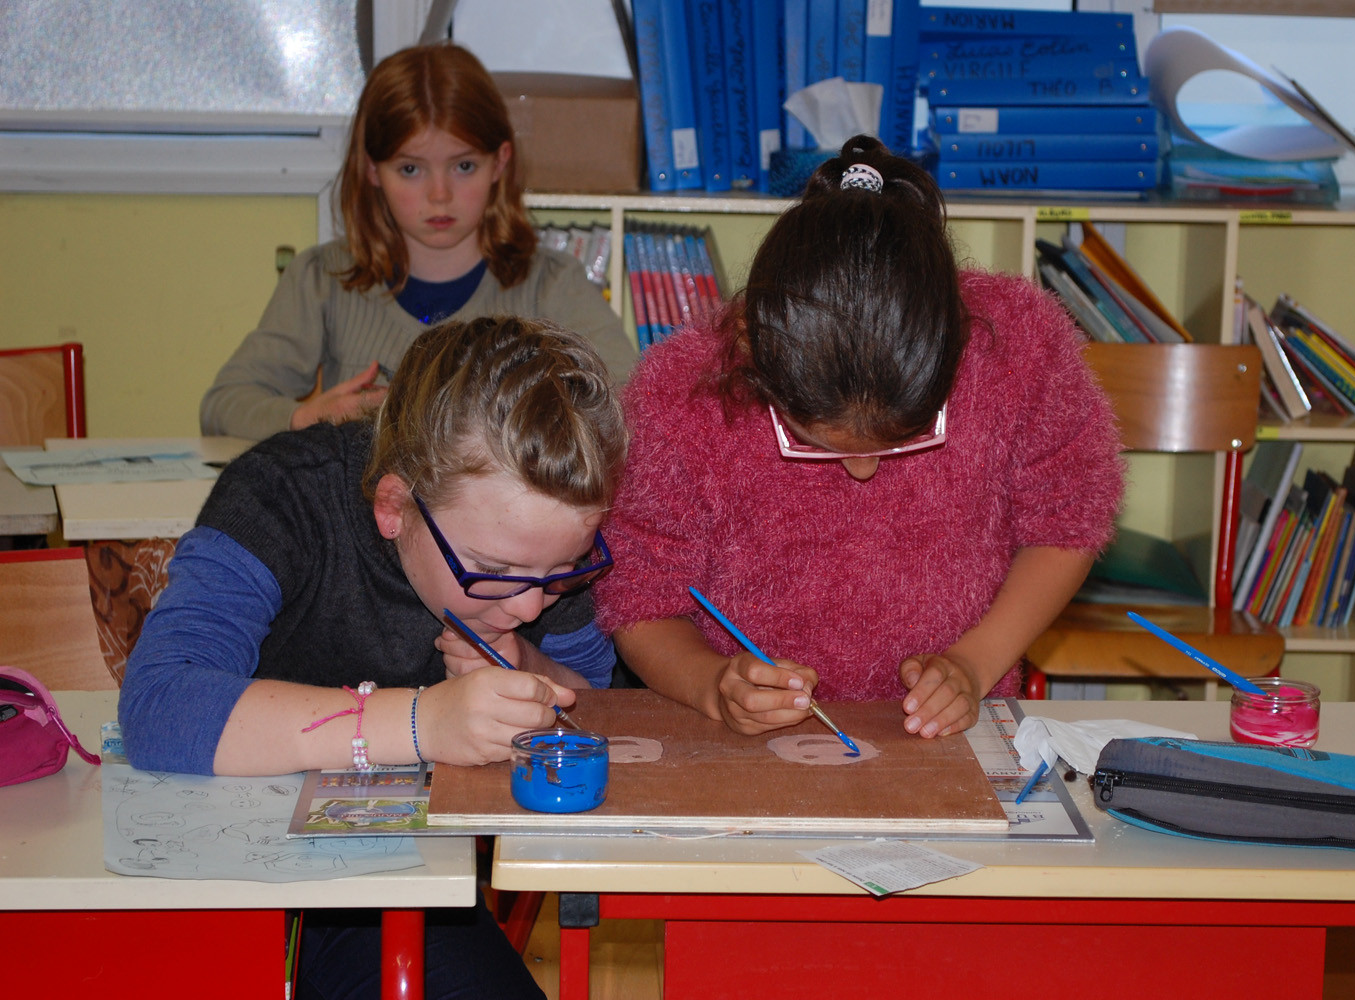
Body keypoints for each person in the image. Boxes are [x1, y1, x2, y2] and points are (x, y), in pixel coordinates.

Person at [121, 315, 626, 1000]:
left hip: (390, 892)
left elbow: (607, 702)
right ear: (394, 506)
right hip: (207, 879)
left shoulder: (530, 552)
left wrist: (532, 673)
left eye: (562, 571)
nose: (530, 604)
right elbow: (159, 707)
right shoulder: (282, 494)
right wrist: (423, 723)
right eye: (492, 570)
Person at [593, 135, 1124, 742]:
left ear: (958, 342)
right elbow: (639, 599)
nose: (864, 471)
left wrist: (973, 665)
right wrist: (713, 685)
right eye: (818, 439)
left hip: (952, 736)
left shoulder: (1019, 346)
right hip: (744, 746)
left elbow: (1067, 524)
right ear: (750, 352)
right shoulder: (681, 392)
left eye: (904, 436)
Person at [200, 42, 636, 442]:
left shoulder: (552, 286)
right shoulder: (321, 280)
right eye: (411, 170)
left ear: (500, 163)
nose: (439, 194)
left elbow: (630, 403)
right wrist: (310, 417)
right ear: (372, 170)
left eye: (463, 166)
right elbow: (223, 406)